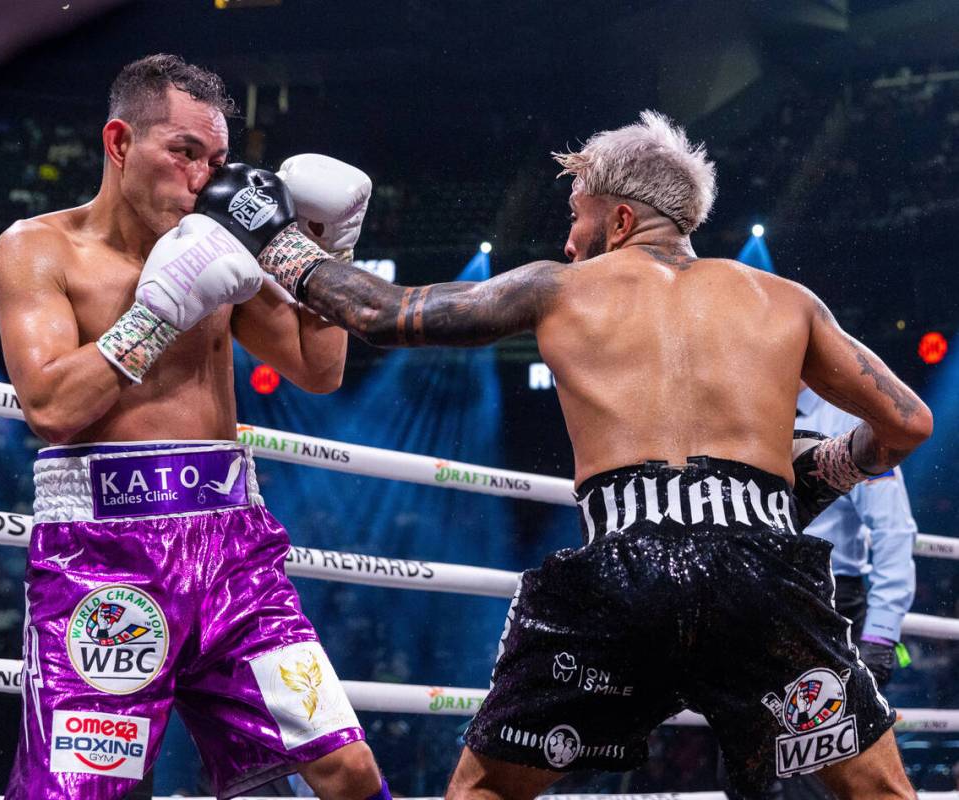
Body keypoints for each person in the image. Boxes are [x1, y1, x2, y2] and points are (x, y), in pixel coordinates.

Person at [194, 110, 933, 799]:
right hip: (763, 573)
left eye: (576, 220)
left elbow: (381, 316)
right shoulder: (786, 299)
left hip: (621, 575)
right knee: (880, 792)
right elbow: (907, 422)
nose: (570, 242)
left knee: (482, 791)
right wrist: (821, 469)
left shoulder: (561, 287)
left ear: (619, 217)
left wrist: (276, 238)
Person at [0, 54, 385, 800]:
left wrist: (330, 249)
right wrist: (154, 313)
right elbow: (51, 409)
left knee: (346, 769)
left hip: (235, 552)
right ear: (118, 142)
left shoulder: (221, 247)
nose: (204, 177)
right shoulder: (39, 250)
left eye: (218, 159)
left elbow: (317, 367)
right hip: (105, 562)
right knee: (82, 794)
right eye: (184, 152)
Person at [796, 382, 918, 686]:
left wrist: (880, 634)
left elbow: (893, 530)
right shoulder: (744, 416)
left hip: (828, 602)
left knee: (843, 729)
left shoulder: (849, 420)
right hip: (750, 598)